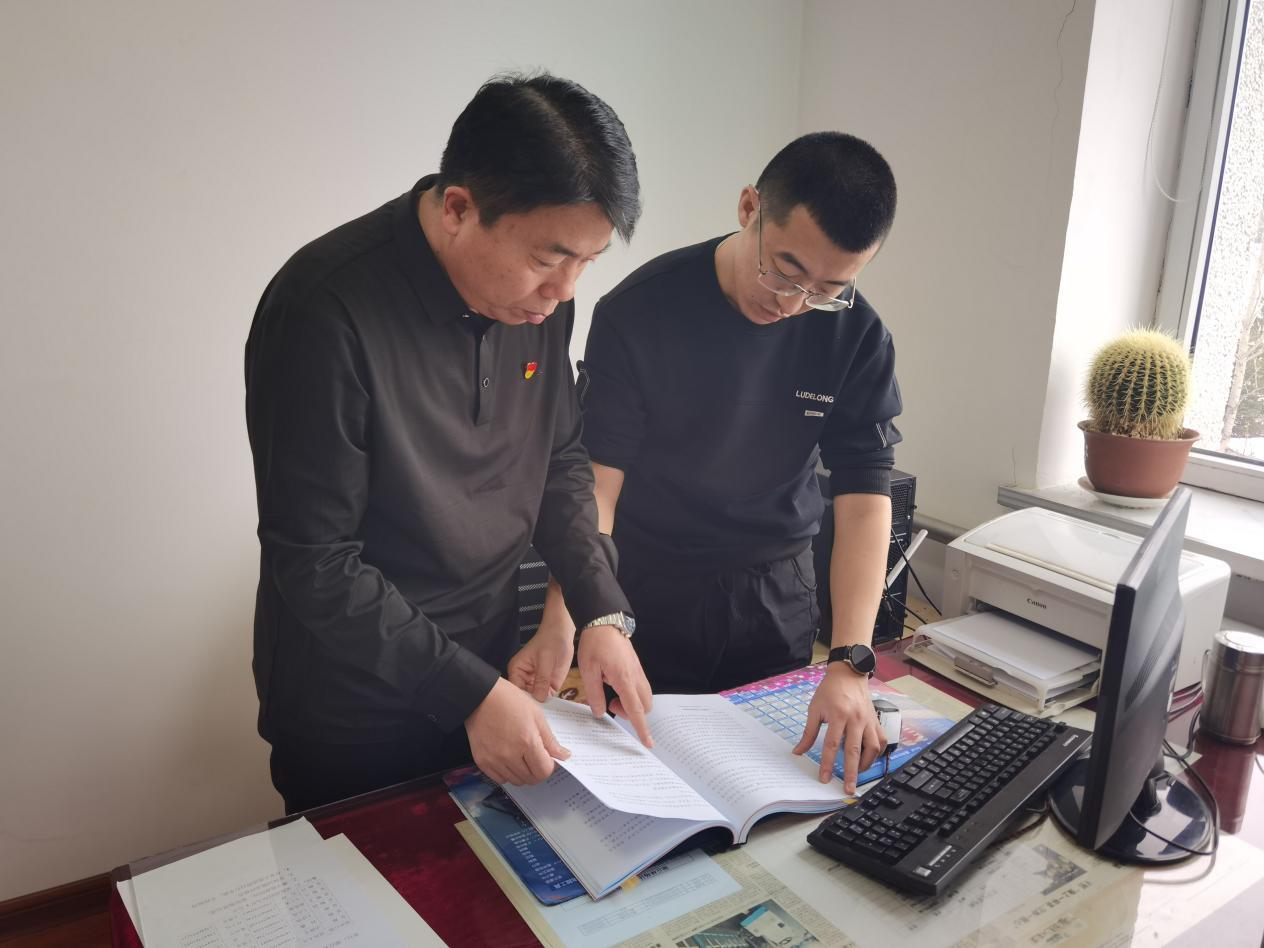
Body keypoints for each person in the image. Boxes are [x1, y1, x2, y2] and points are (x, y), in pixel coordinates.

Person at [245, 73, 653, 815]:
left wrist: (597, 607)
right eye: (547, 259)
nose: (564, 290)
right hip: (356, 704)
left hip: (493, 665)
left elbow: (560, 459)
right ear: (459, 208)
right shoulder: (324, 311)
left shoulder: (539, 303)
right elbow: (315, 560)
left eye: (586, 263)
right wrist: (468, 692)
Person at [544, 132, 901, 795]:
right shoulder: (640, 311)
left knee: (773, 787)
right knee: (650, 783)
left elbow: (864, 495)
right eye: (784, 270)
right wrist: (581, 614)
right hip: (651, 590)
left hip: (777, 592)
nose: (792, 302)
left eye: (827, 289)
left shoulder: (857, 334)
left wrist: (851, 661)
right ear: (749, 208)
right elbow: (597, 485)